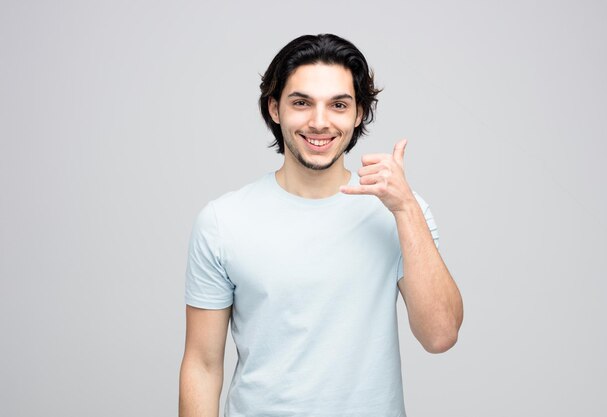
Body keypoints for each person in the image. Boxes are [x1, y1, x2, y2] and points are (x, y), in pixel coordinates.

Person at [179, 33, 463, 417]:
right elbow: (202, 365)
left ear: (359, 113)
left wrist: (406, 209)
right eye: (301, 103)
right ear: (275, 108)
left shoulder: (400, 211)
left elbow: (440, 335)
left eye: (338, 105)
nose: (319, 122)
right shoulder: (222, 221)